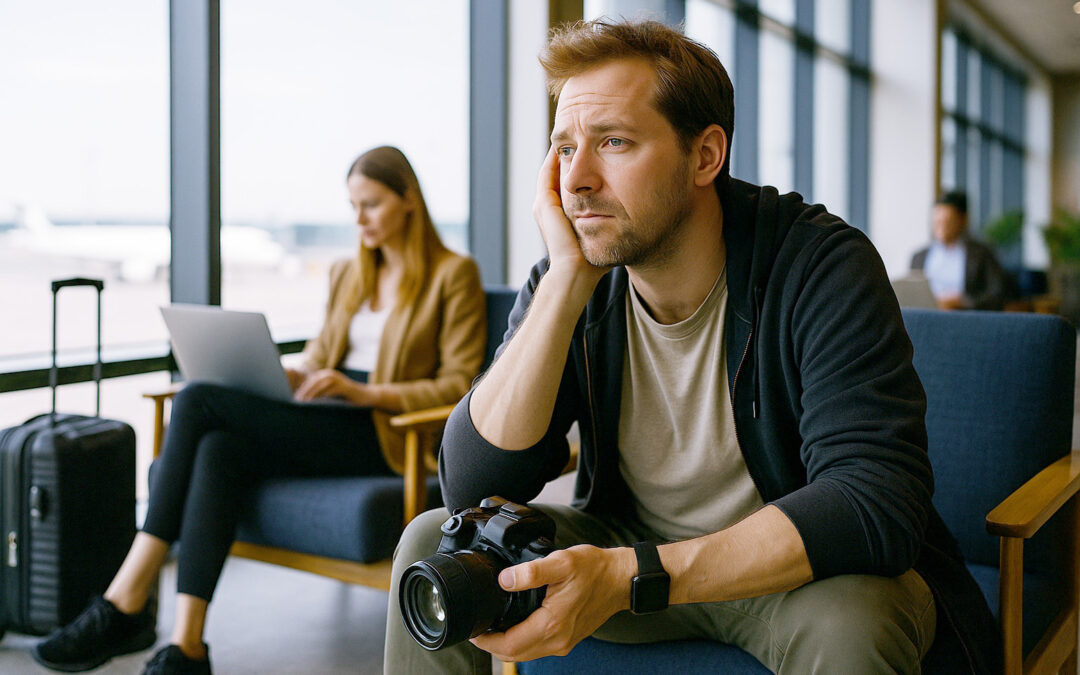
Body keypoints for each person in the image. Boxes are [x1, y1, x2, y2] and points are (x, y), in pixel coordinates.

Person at [384, 20, 999, 675]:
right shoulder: (577, 275)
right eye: (564, 149)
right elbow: (471, 487)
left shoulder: (820, 264)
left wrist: (632, 575)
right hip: (628, 540)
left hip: (784, 572)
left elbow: (873, 500)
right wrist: (564, 281)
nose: (577, 180)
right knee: (432, 541)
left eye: (613, 141)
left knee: (857, 621)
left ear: (705, 156)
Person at [33, 146, 487, 675]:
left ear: (408, 200)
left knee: (199, 399)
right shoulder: (350, 273)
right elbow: (324, 353)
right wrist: (294, 375)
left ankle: (126, 597)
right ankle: (188, 646)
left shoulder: (453, 274)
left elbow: (460, 385)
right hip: (329, 414)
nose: (358, 219)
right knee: (219, 449)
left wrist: (365, 394)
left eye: (371, 204)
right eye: (352, 206)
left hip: (381, 432)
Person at [910, 190, 1010, 310]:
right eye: (937, 222)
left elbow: (997, 295)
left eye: (947, 222)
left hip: (965, 318)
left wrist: (964, 302)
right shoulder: (919, 257)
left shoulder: (981, 254)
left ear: (963, 220)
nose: (941, 228)